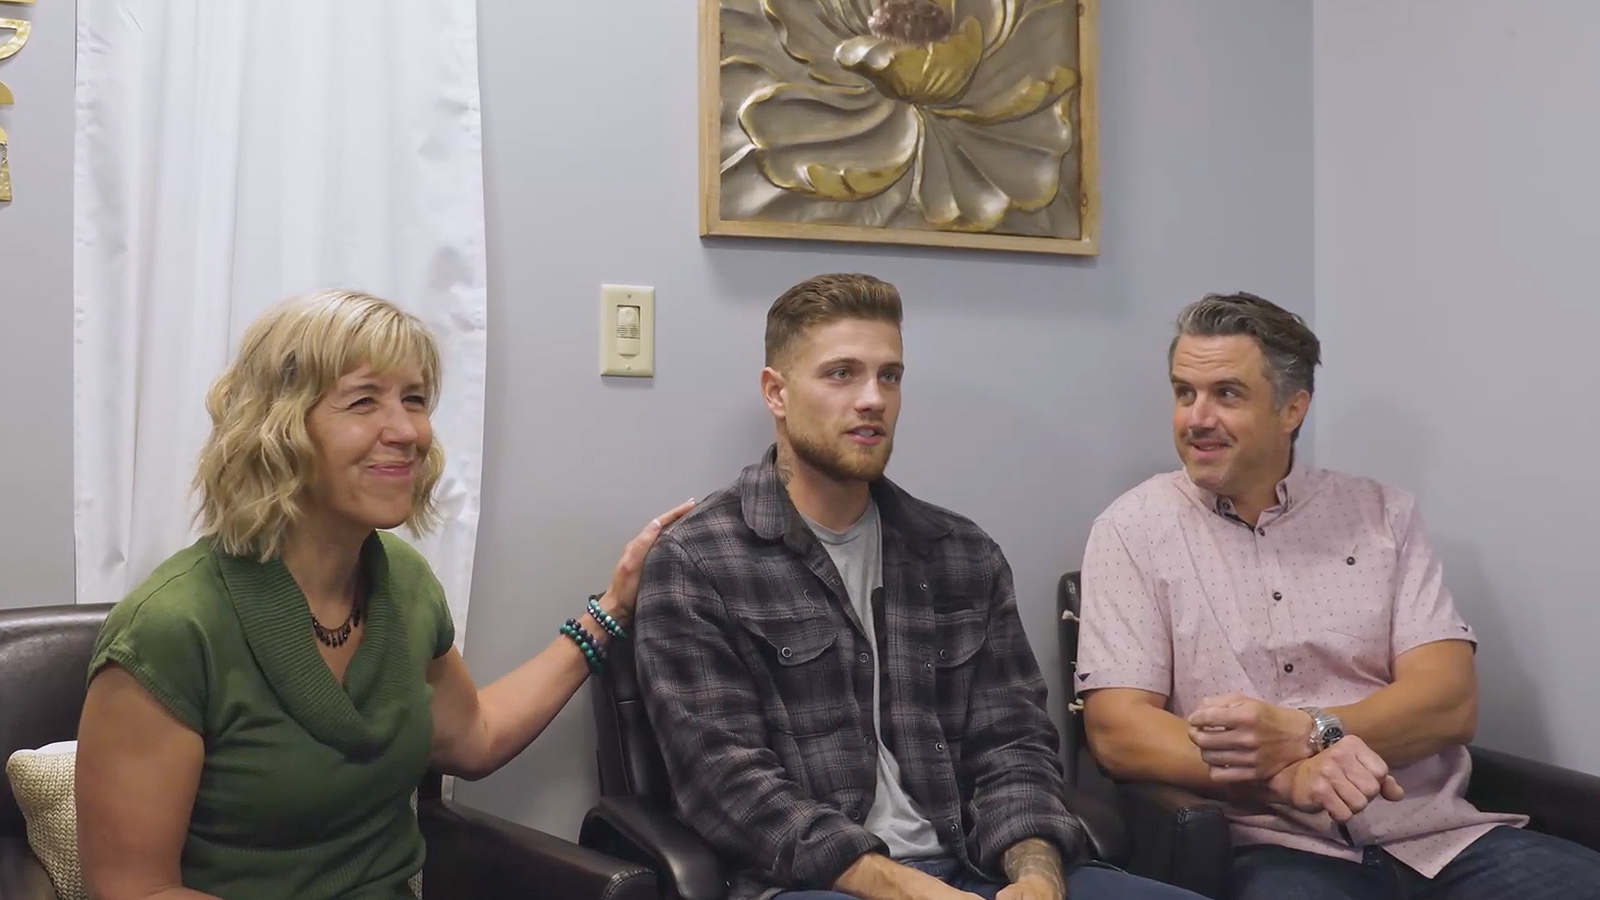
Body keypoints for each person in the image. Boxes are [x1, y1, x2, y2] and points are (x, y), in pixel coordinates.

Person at [74, 289, 695, 900]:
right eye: (363, 401)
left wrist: (612, 606)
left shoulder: (403, 580)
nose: (406, 430)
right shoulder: (171, 628)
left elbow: (472, 737)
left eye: (415, 399)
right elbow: (136, 890)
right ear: (277, 427)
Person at [633, 273, 1202, 900]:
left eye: (890, 376)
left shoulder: (961, 554)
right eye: (841, 374)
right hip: (817, 885)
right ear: (777, 392)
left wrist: (1036, 873)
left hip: (977, 868)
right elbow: (727, 784)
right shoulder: (700, 561)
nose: (873, 399)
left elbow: (1012, 744)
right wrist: (904, 888)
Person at [1076, 291, 1600, 899]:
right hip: (1274, 849)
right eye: (1184, 392)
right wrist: (1283, 774)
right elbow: (1119, 732)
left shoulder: (1383, 515)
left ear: (1292, 408)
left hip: (1435, 837)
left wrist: (1306, 731)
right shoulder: (1133, 529)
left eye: (1227, 393)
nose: (1196, 417)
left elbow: (1449, 703)